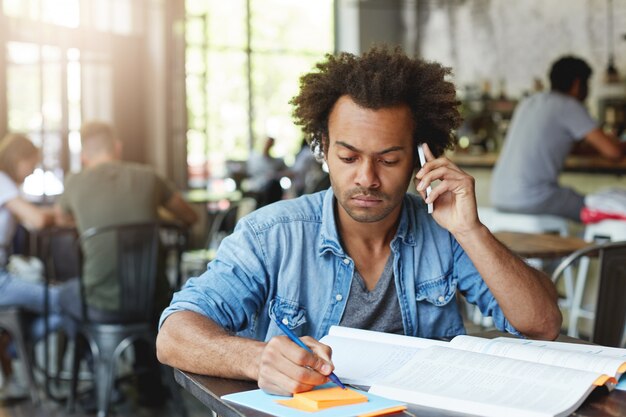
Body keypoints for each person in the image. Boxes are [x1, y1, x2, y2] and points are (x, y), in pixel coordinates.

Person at [156, 47, 561, 396]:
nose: (367, 178)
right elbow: (174, 335)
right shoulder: (271, 235)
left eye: (388, 159)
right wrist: (259, 359)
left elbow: (542, 325)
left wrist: (471, 231)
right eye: (348, 158)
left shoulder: (446, 233)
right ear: (325, 151)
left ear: (423, 159)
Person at [54, 121, 198, 405]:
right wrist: (154, 216)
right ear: (117, 147)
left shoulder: (75, 181)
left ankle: (98, 378)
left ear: (85, 155)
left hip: (102, 303)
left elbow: (60, 219)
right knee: (142, 297)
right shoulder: (148, 177)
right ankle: (148, 380)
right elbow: (190, 216)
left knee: (64, 296)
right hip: (152, 301)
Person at [490, 56, 624, 221]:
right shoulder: (569, 105)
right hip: (533, 198)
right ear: (577, 84)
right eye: (587, 84)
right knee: (603, 207)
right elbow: (614, 153)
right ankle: (589, 246)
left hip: (498, 195)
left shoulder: (529, 101)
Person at [0, 133, 73, 395]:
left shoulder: (7, 186)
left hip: (4, 276)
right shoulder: (2, 181)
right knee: (68, 300)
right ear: (17, 158)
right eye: (31, 164)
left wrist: (59, 216)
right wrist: (62, 216)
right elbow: (38, 220)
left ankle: (12, 342)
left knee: (55, 298)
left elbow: (34, 217)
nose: (31, 172)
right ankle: (12, 347)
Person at [246, 136, 289, 206]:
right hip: (257, 189)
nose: (267, 145)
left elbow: (290, 173)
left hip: (271, 192)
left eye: (270, 143)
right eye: (266, 143)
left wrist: (276, 174)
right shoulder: (253, 158)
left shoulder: (277, 162)